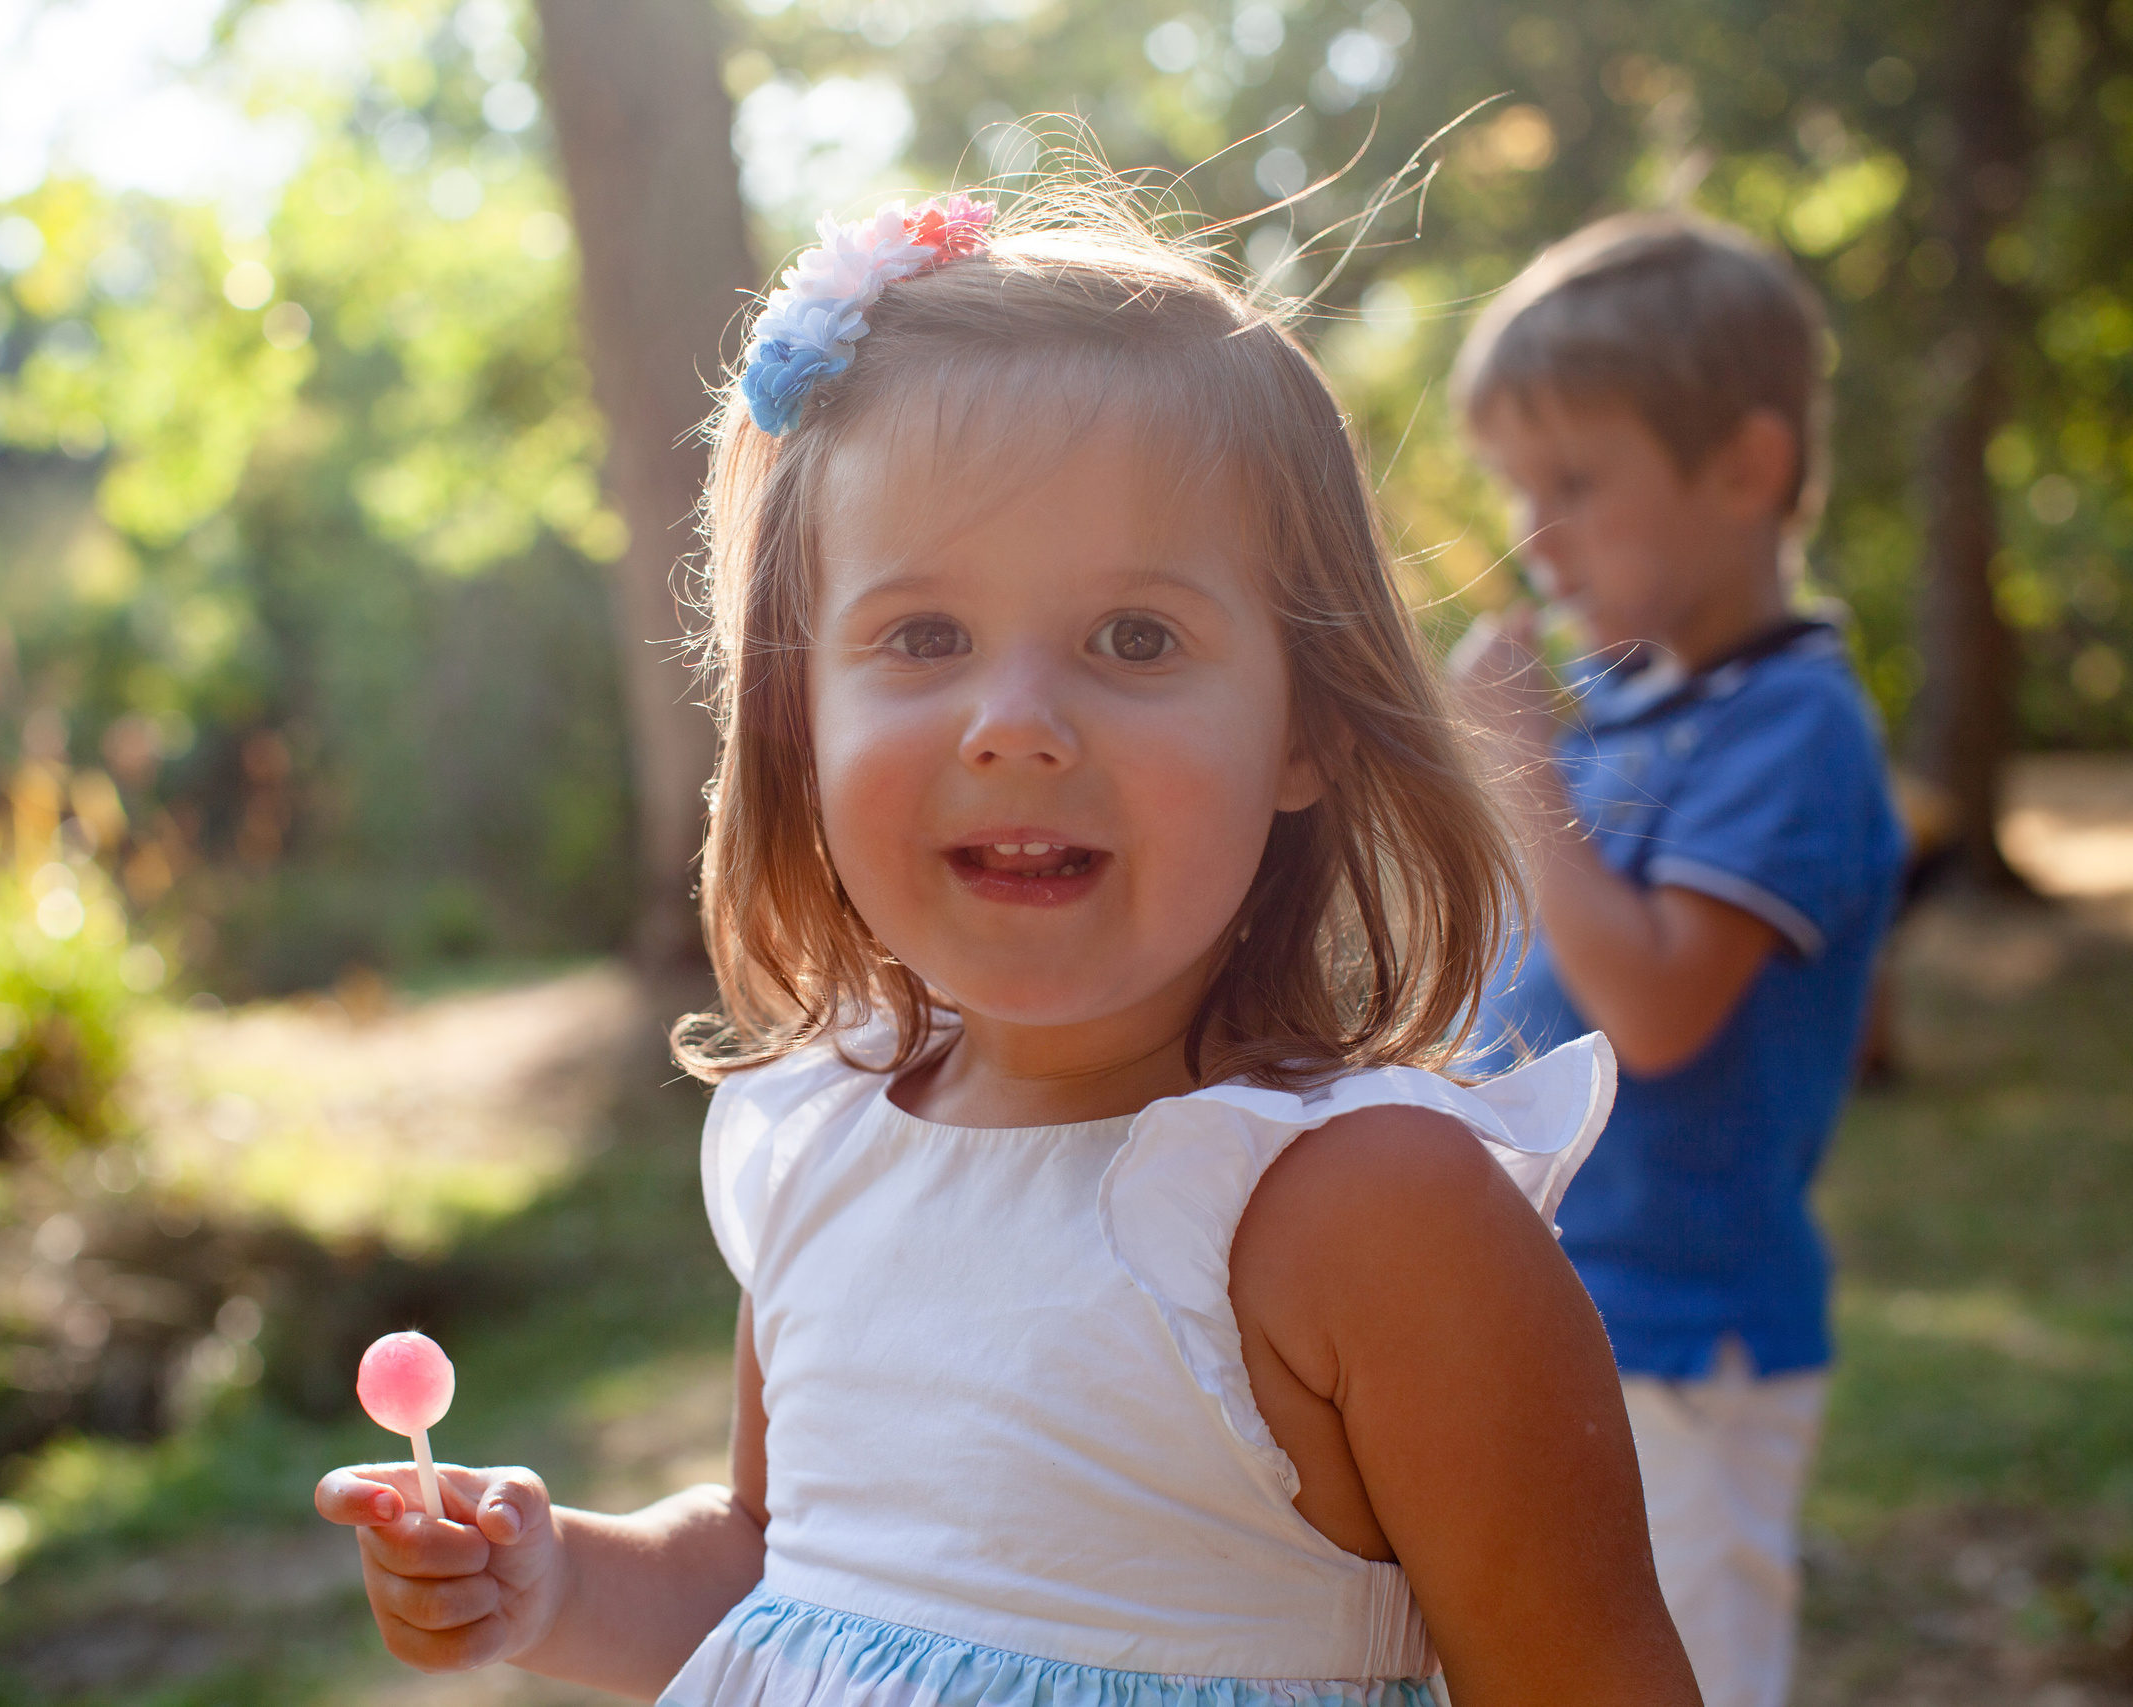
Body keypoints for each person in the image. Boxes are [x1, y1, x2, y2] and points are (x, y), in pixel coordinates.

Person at [315, 182, 1701, 1706]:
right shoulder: (818, 1139)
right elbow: (784, 1580)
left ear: (1306, 720)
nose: (1017, 726)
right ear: (799, 712)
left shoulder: (1367, 1214)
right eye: (923, 638)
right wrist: (554, 1580)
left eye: (1135, 639)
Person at [1446, 212, 1908, 1707]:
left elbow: (1650, 1007)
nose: (1534, 536)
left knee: (1672, 1670)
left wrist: (1521, 771)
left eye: (1574, 485)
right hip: (1546, 1296)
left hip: (1684, 1337)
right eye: (1518, 489)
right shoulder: (1615, 701)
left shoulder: (1794, 725)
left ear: (1747, 472)